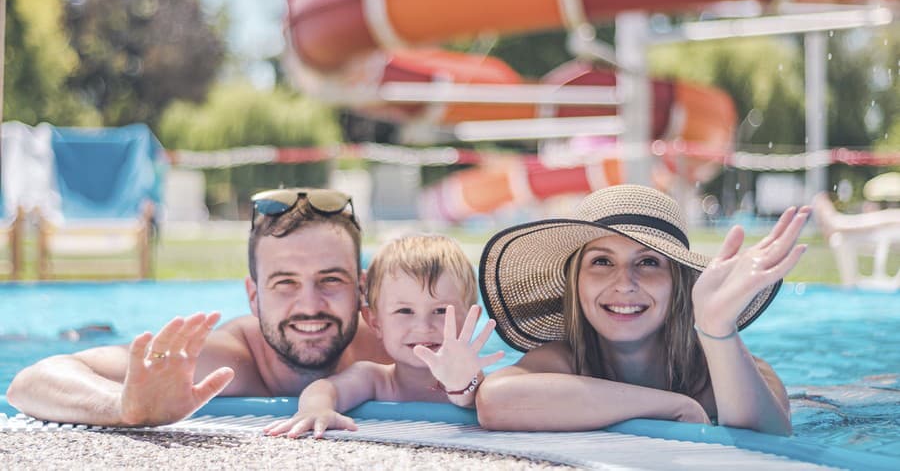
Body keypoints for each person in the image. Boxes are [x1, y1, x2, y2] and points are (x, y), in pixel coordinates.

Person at [6, 188, 390, 426]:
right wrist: (124, 406)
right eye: (285, 282)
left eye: (331, 280)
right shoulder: (223, 361)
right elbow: (31, 382)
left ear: (362, 289)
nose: (309, 304)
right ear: (253, 296)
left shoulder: (393, 344)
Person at [475, 184, 809, 436]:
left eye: (648, 262)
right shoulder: (562, 361)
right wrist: (672, 406)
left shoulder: (726, 369)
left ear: (679, 285)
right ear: (575, 282)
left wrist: (717, 328)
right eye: (602, 261)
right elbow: (494, 401)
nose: (625, 283)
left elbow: (772, 442)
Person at [264, 234, 503, 439]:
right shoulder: (376, 379)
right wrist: (317, 409)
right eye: (404, 311)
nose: (423, 325)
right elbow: (326, 388)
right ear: (374, 322)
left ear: (470, 318)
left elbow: (468, 396)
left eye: (440, 310)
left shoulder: (471, 376)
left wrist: (461, 384)